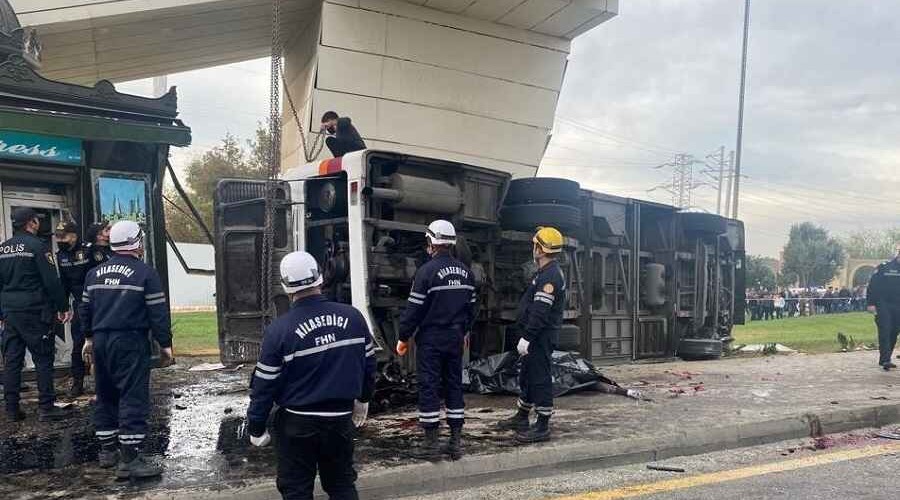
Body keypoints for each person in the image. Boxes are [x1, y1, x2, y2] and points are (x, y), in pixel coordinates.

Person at [247, 251, 376, 500]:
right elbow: (369, 366)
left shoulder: (278, 331)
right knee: (341, 486)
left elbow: (264, 387)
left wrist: (256, 426)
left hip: (297, 424)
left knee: (296, 490)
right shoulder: (353, 317)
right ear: (319, 278)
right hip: (340, 421)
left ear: (286, 287)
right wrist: (363, 398)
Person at [80, 220, 173, 478]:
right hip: (130, 342)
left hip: (100, 341)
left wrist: (88, 338)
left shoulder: (93, 274)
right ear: (137, 242)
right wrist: (165, 345)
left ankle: (107, 451)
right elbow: (158, 314)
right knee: (132, 395)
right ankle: (130, 459)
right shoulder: (146, 273)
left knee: (105, 393)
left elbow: (84, 309)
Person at [395, 220, 477, 460]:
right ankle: (455, 442)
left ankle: (431, 443)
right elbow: (472, 309)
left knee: (429, 386)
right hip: (455, 337)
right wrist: (463, 333)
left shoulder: (426, 273)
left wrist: (403, 337)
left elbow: (414, 310)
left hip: (431, 337)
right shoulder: (467, 273)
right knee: (453, 385)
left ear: (431, 242)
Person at [0, 207, 72, 422]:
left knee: (12, 360)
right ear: (32, 223)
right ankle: (46, 406)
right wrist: (63, 307)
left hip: (10, 311)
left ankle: (12, 409)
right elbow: (51, 280)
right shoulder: (37, 247)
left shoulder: (2, 249)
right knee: (43, 358)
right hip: (34, 311)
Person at [496, 227, 567, 443]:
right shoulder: (545, 272)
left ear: (540, 249)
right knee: (527, 374)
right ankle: (522, 416)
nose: (532, 248)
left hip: (539, 337)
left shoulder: (550, 277)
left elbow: (540, 312)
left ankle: (542, 425)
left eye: (534, 244)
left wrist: (527, 336)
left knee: (540, 378)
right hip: (535, 335)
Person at [54, 221, 93, 397]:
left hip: (96, 301)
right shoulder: (60, 255)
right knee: (78, 344)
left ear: (74, 236)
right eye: (57, 236)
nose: (59, 239)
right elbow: (63, 283)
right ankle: (78, 382)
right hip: (79, 304)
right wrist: (62, 306)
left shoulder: (89, 250)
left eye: (63, 236)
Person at [867, 243, 900, 371]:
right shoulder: (884, 267)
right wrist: (870, 303)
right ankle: (885, 359)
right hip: (883, 303)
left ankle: (885, 358)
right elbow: (872, 285)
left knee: (894, 331)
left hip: (899, 305)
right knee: (885, 330)